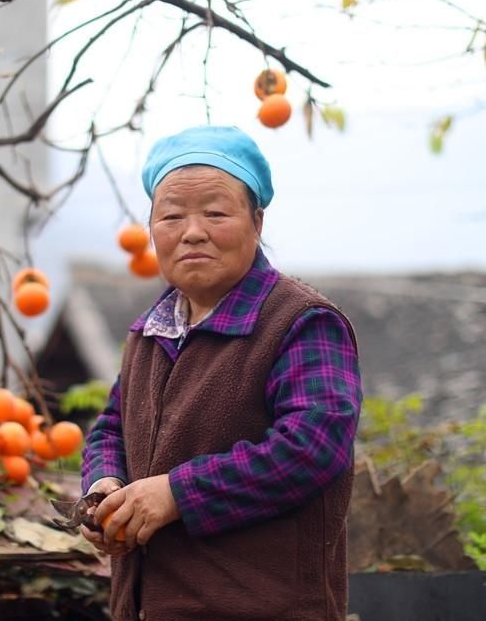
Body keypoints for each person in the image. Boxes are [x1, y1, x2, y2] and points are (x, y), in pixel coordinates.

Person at [80, 125, 363, 620]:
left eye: (215, 212)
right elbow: (110, 428)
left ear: (256, 221)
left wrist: (177, 494)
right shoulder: (150, 332)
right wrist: (103, 486)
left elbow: (312, 447)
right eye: (171, 216)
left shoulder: (301, 323)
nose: (192, 231)